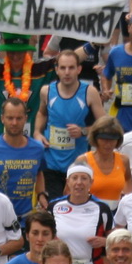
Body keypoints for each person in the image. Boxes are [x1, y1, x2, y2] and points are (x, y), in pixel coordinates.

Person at [35, 50, 105, 200]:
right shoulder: (46, 91)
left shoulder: (89, 92)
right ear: (57, 70)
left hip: (77, 164)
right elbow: (42, 113)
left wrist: (84, 131)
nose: (67, 72)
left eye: (71, 68)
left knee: (74, 206)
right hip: (51, 162)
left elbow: (104, 125)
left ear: (79, 69)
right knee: (52, 207)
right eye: (63, 68)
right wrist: (37, 133)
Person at [0, 98, 46, 221]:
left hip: (28, 219)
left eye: (19, 118)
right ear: (2, 118)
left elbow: (39, 173)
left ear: (26, 118)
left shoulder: (37, 149)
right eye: (10, 118)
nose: (14, 123)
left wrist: (41, 194)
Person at [51, 163, 118, 264]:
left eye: (84, 178)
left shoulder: (102, 208)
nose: (79, 182)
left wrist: (105, 241)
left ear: (91, 182)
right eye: (75, 178)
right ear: (68, 181)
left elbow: (116, 239)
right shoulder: (54, 206)